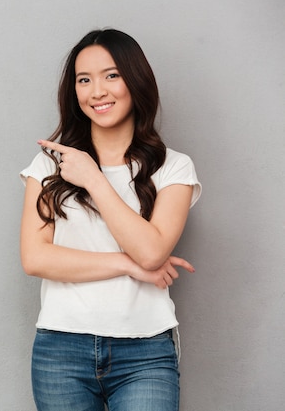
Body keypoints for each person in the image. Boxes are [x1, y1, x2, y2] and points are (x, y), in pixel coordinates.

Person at [19, 28, 201, 411]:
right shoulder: (49, 165)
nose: (97, 91)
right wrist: (126, 265)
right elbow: (35, 258)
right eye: (84, 80)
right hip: (60, 349)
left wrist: (93, 179)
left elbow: (152, 253)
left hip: (145, 351)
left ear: (136, 80)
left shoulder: (173, 167)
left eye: (111, 75)